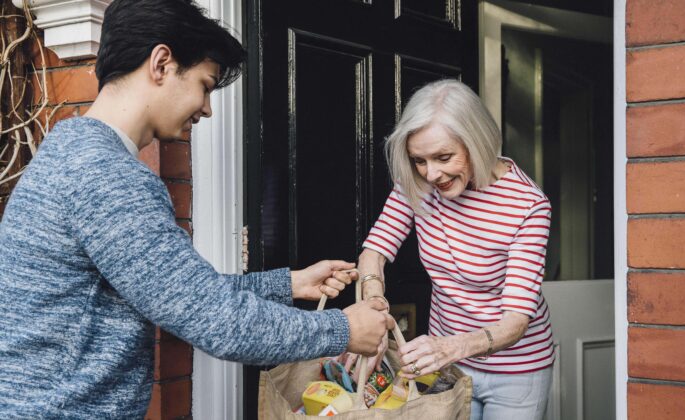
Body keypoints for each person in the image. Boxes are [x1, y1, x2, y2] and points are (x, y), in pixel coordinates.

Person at [0, 0, 393, 417]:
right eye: (205, 85)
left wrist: (288, 284)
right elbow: (214, 319)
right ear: (162, 63)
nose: (207, 108)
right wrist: (344, 329)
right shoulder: (107, 176)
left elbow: (179, 292)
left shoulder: (75, 151)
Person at [354, 79, 554, 419]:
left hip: (516, 370)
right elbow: (374, 250)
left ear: (477, 141)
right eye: (420, 160)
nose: (431, 174)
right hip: (447, 364)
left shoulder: (528, 206)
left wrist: (450, 347)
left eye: (444, 157)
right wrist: (374, 309)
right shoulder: (415, 182)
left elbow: (516, 320)